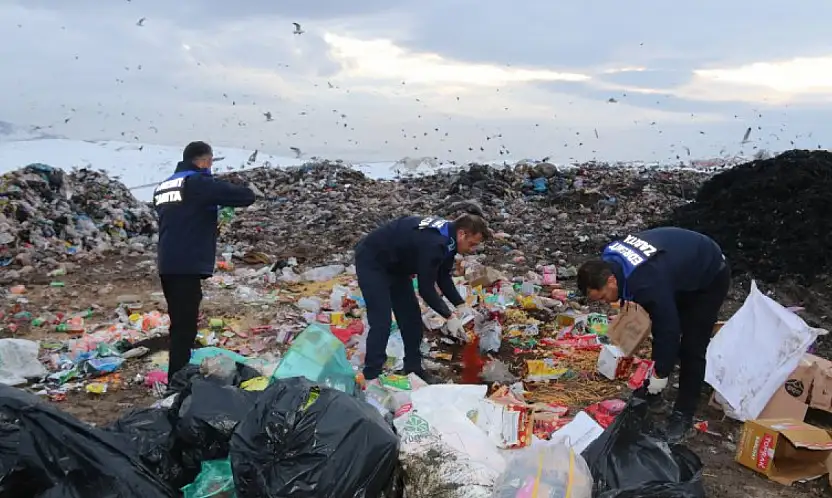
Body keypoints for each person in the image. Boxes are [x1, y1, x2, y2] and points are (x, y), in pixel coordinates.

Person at [576, 227, 730, 442]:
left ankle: (683, 414)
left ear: (611, 280)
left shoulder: (646, 282)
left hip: (709, 274)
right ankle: (654, 393)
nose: (605, 302)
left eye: (603, 297)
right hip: (677, 265)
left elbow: (667, 329)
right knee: (665, 326)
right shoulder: (610, 257)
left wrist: (661, 373)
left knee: (692, 346)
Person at [154, 141, 256, 382]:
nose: (210, 167)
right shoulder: (197, 182)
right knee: (184, 328)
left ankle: (178, 375)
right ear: (203, 160)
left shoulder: (164, 185)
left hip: (168, 262)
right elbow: (243, 197)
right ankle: (177, 382)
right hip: (186, 263)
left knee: (180, 323)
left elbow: (184, 215)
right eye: (209, 162)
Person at [356, 213, 490, 384]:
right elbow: (426, 289)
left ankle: (413, 369)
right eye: (472, 244)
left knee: (411, 318)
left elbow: (443, 277)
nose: (472, 249)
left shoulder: (448, 239)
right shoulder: (435, 243)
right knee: (381, 320)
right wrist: (449, 317)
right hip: (373, 261)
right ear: (462, 234)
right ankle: (371, 376)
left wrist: (461, 305)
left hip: (397, 266)